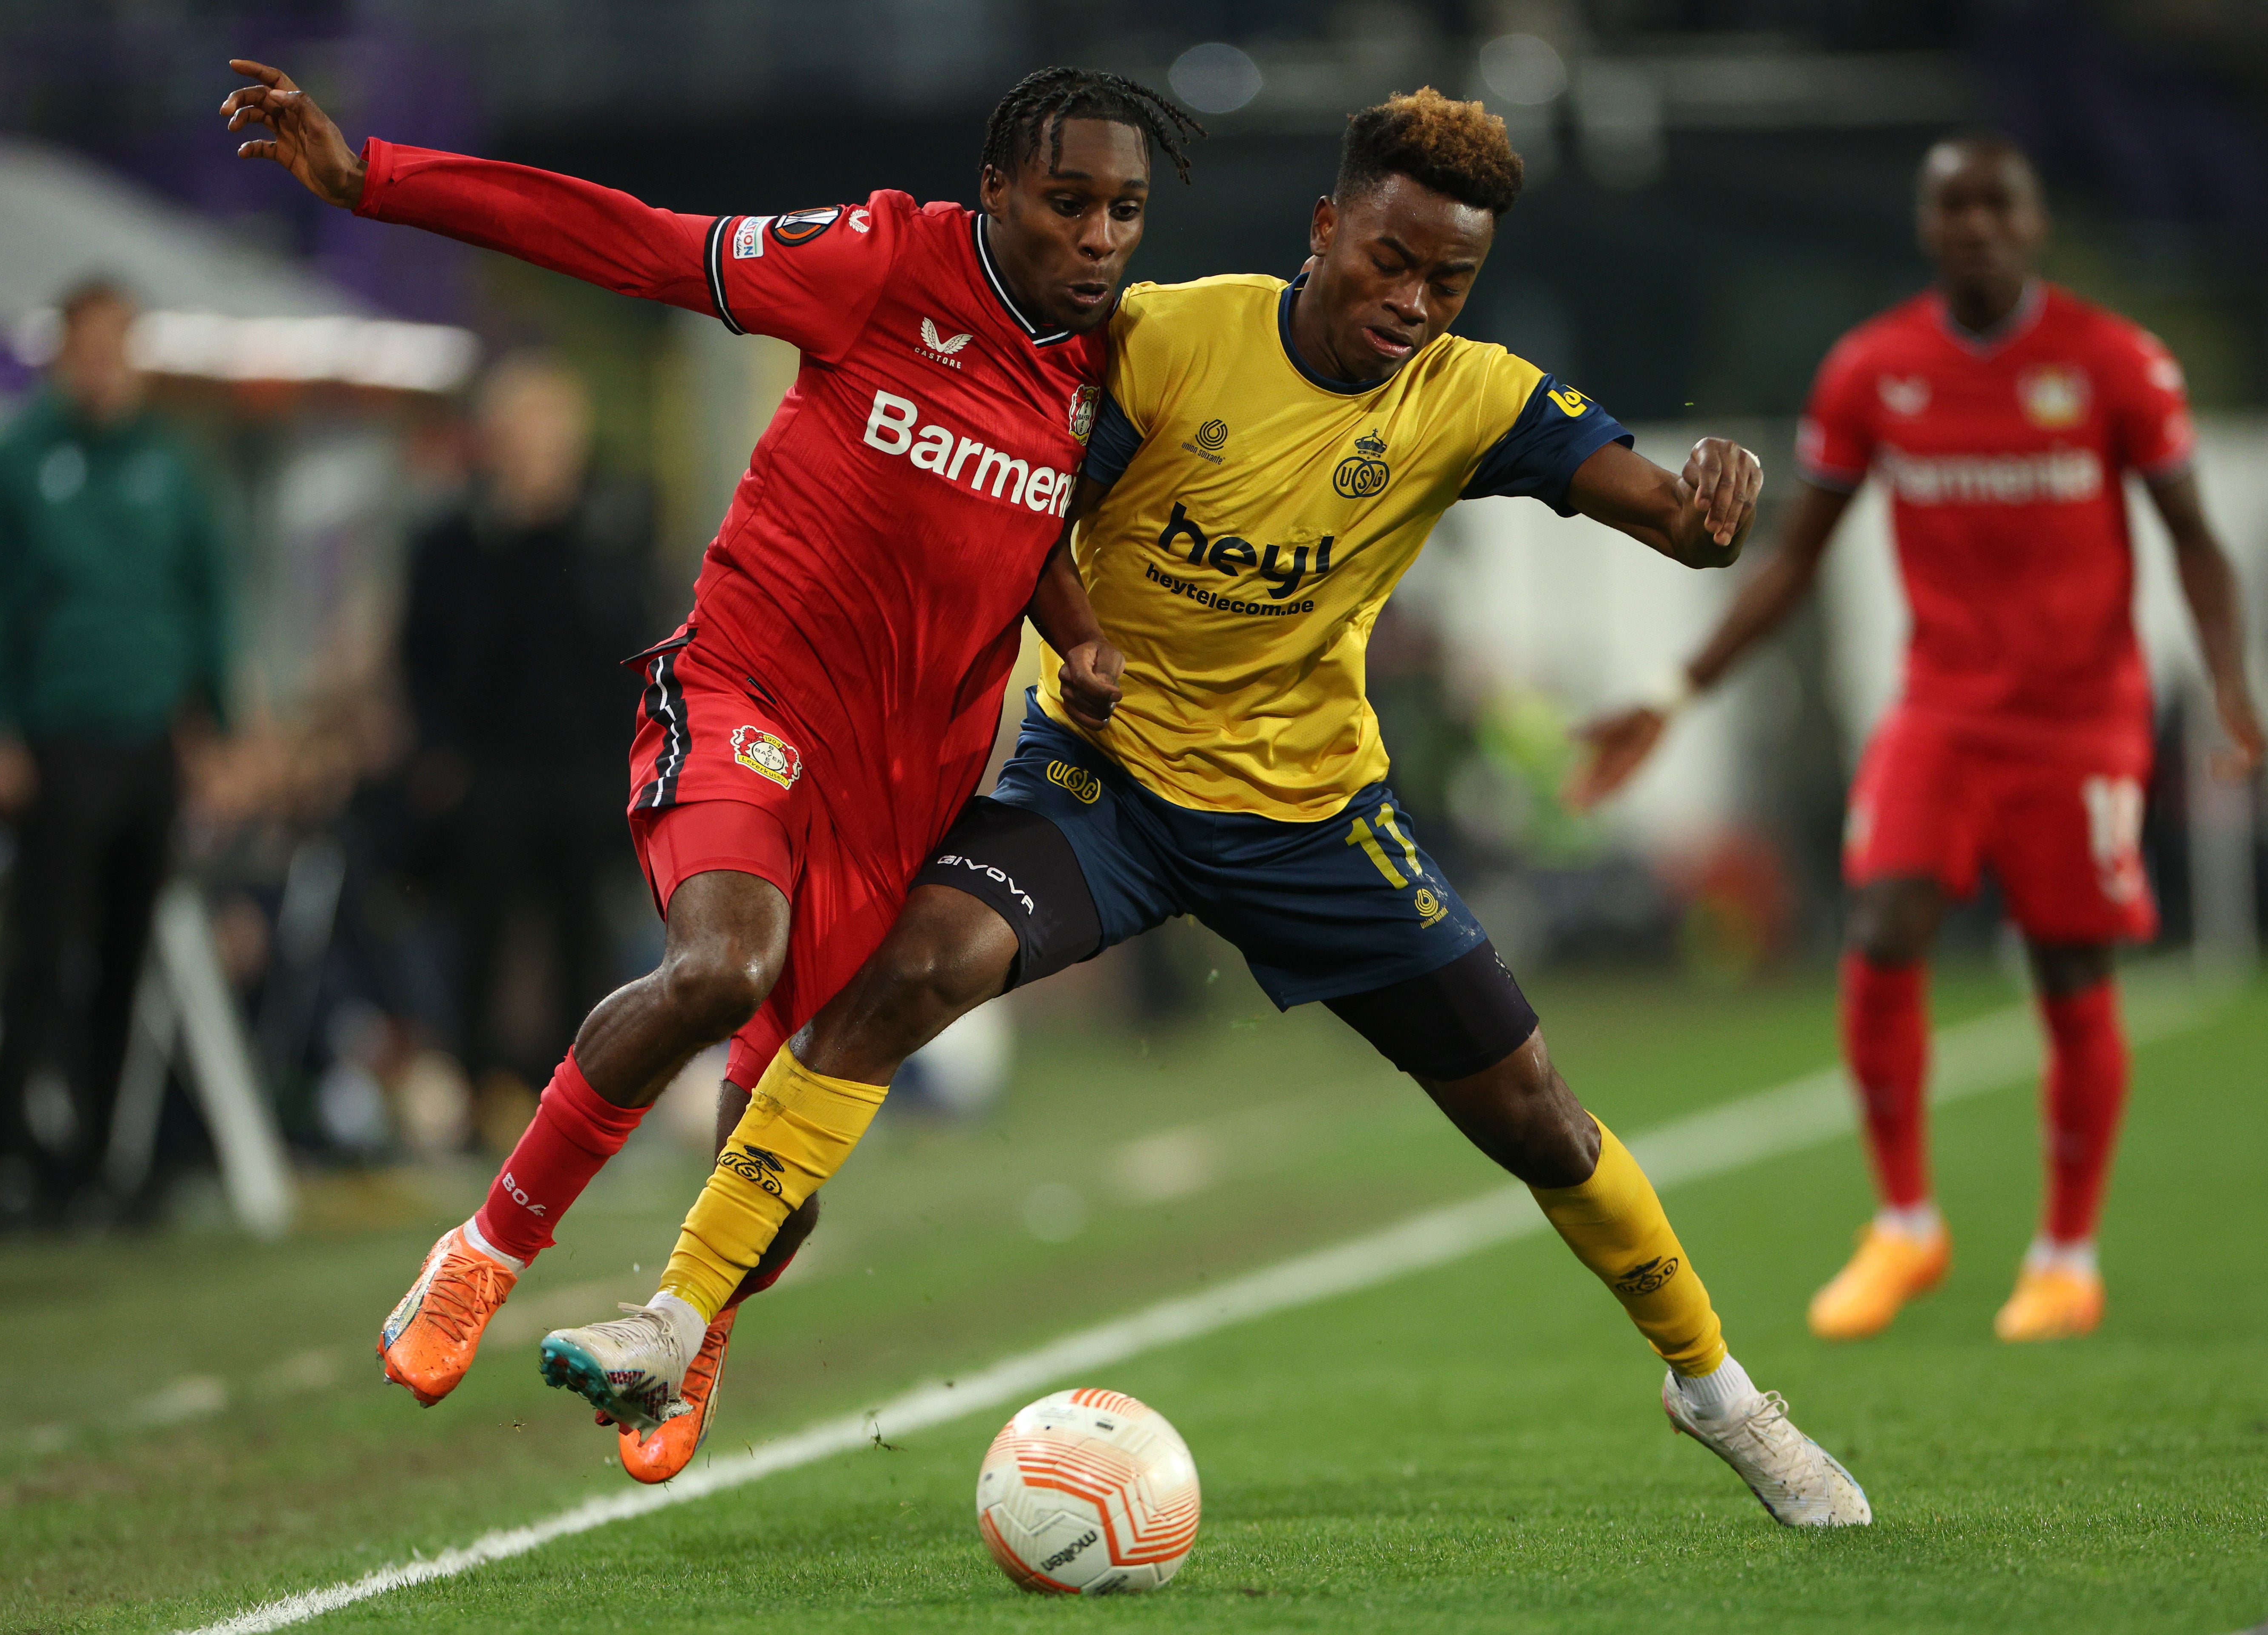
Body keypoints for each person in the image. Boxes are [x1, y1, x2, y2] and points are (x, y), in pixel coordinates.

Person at [607, 91, 1871, 1527]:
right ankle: (680, 1312)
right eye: (1387, 260)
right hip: (1109, 783)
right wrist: (1078, 642)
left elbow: (1661, 509)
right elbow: (1029, 520)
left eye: (1445, 280)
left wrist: (1712, 507)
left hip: (1309, 811)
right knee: (905, 978)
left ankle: (1717, 1389)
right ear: (1326, 228)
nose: (1410, 300)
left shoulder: (1474, 395)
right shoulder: (1163, 336)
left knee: (1536, 1117)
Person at [219, 61, 1197, 1423]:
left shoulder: (1108, 363)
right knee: (721, 967)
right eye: (1067, 202)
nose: (1096, 238)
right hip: (751, 693)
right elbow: (632, 240)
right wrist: (372, 177)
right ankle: (484, 1252)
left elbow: (1017, 520)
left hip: (906, 784)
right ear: (997, 191)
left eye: (1124, 212)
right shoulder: (877, 262)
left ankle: (687, 1331)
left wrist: (1081, 638)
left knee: (778, 1155)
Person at [1570, 134, 2262, 1344]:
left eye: (1999, 205)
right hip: (1939, 708)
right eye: (1956, 209)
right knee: (1881, 922)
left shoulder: (2113, 363)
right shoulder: (1876, 370)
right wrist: (1675, 692)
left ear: (2034, 221)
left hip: (2079, 715)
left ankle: (2064, 1252)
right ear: (1928, 228)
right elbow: (1795, 558)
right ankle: (1904, 1223)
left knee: (2066, 971)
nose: (1978, 227)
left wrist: (2231, 691)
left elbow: (2196, 537)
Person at [0, 278, 234, 1220]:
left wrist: (216, 723)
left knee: (126, 952)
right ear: (62, 353)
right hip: (56, 735)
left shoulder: (171, 466)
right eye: (90, 345)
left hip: (148, 736)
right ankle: (9, 1153)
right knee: (42, 952)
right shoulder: (13, 463)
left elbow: (206, 600)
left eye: (121, 344)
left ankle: (102, 1161)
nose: (106, 364)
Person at [399, 353, 661, 1101]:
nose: (538, 450)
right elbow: (425, 657)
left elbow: (632, 639)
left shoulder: (612, 531)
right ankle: (476, 1086)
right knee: (480, 936)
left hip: (587, 768)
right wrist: (435, 750)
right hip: (487, 769)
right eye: (522, 432)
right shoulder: (454, 542)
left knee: (587, 939)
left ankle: (583, 1096)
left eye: (551, 432)